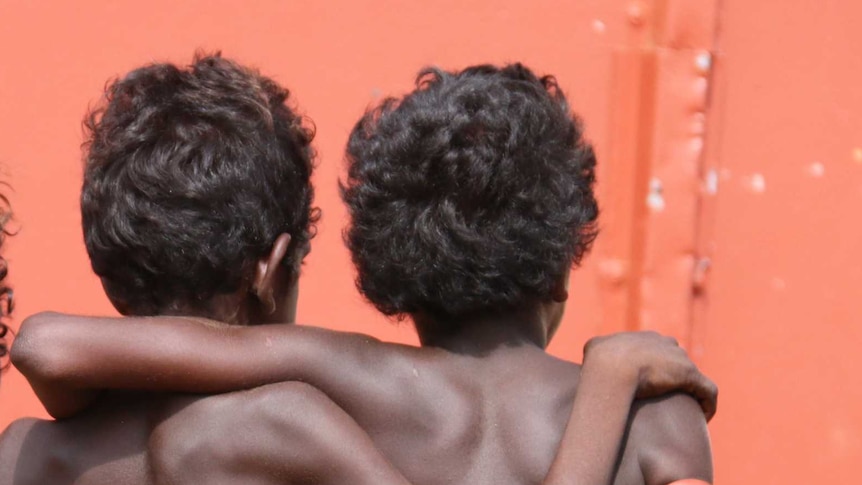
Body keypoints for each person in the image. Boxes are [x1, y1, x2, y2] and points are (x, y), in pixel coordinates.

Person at [7, 58, 715, 485]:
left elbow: (49, 346)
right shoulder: (656, 421)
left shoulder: (338, 383)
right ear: (564, 261)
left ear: (391, 275)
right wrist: (611, 380)